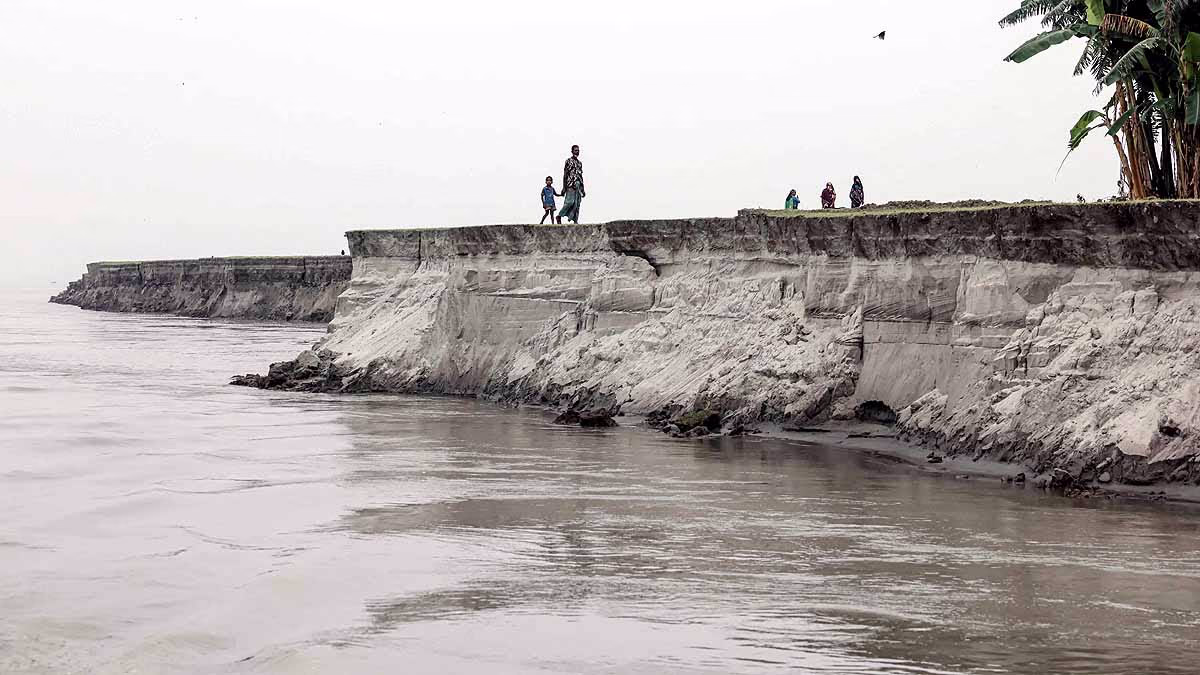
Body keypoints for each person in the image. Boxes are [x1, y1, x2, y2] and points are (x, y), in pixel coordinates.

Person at [558, 144, 585, 224]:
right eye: (576, 150)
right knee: (570, 202)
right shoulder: (568, 161)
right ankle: (559, 216)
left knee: (577, 204)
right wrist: (564, 187)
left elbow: (580, 176)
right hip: (570, 184)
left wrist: (583, 188)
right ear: (572, 151)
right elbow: (565, 174)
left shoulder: (579, 163)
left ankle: (575, 220)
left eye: (578, 150)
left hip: (578, 185)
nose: (577, 151)